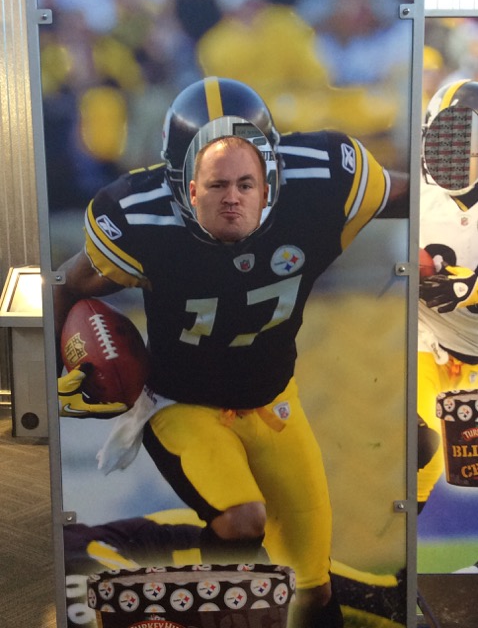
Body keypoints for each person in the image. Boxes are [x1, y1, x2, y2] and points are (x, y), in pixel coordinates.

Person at [55, 76, 409, 627]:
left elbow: (409, 194)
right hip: (183, 406)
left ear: (272, 178)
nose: (234, 197)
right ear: (184, 186)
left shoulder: (324, 180)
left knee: (309, 589)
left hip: (273, 405)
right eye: (216, 185)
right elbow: (66, 284)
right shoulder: (139, 218)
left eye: (248, 182)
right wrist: (58, 363)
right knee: (244, 520)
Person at [417, 79, 478, 556]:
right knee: (416, 459)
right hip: (432, 348)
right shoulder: (415, 199)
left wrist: (471, 286)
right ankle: (397, 576)